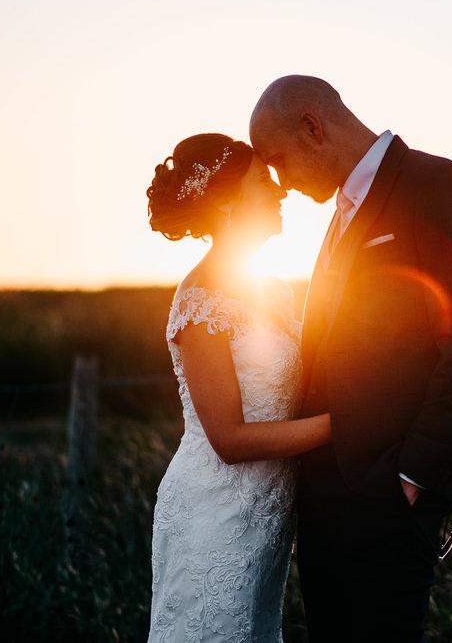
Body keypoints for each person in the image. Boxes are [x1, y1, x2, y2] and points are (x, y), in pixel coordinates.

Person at [249, 75, 452, 641]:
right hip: (324, 506)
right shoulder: (340, 213)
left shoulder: (436, 184)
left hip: (390, 501)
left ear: (312, 128)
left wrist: (412, 477)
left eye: (277, 161)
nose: (280, 183)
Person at [145, 132, 332, 642]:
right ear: (228, 200)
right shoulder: (200, 301)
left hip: (267, 516)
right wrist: (341, 427)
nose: (279, 192)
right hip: (214, 511)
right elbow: (228, 439)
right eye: (261, 182)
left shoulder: (270, 290)